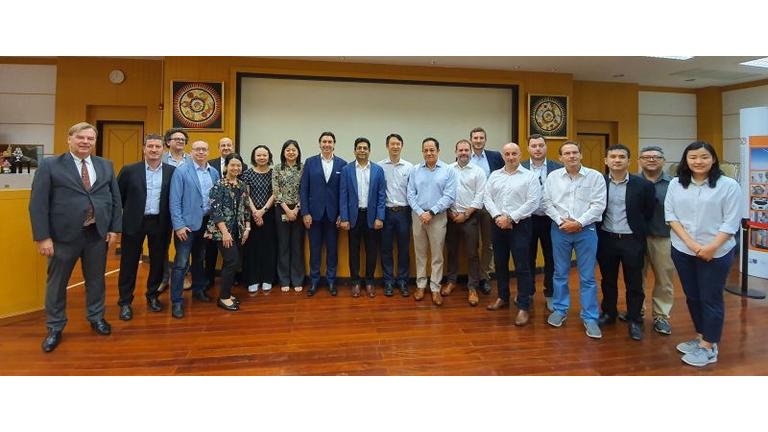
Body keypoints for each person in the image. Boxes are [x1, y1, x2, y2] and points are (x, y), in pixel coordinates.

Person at [29, 122, 122, 353]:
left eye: (90, 138)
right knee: (57, 284)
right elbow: (38, 204)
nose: (85, 142)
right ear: (69, 139)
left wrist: (114, 229)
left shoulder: (105, 165)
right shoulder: (50, 165)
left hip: (96, 234)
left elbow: (115, 199)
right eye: (81, 137)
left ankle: (96, 317)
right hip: (62, 237)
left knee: (96, 281)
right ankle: (55, 326)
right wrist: (43, 237)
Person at [665, 141, 741, 367]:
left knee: (711, 297)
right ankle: (701, 337)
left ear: (713, 159)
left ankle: (709, 347)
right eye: (693, 157)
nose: (698, 161)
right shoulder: (676, 183)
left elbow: (731, 221)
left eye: (704, 157)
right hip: (683, 249)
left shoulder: (728, 185)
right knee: (693, 296)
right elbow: (671, 216)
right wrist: (692, 245)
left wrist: (710, 248)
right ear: (686, 160)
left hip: (716, 252)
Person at [542, 141, 607, 339]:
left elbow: (598, 205)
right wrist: (562, 221)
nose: (571, 156)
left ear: (581, 155)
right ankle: (560, 309)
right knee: (560, 272)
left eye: (575, 152)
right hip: (560, 229)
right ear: (560, 157)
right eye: (567, 153)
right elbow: (546, 203)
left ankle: (590, 317)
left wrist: (578, 223)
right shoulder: (553, 177)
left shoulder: (595, 177)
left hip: (586, 230)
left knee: (587, 276)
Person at [595, 144, 655, 341]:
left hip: (632, 240)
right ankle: (609, 313)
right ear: (606, 161)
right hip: (606, 238)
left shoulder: (643, 185)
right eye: (613, 156)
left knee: (634, 283)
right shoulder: (599, 182)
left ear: (629, 161)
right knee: (608, 280)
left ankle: (635, 319)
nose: (617, 160)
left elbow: (648, 212)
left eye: (622, 157)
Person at [115, 133, 175, 321]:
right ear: (144, 149)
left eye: (158, 147)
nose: (154, 150)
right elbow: (118, 198)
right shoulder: (129, 170)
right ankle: (125, 302)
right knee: (129, 262)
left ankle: (152, 295)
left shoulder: (172, 171)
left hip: (160, 222)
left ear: (163, 149)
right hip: (134, 222)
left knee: (157, 262)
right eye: (150, 146)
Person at [483, 143, 541, 325]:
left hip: (520, 226)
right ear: (503, 156)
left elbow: (533, 202)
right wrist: (498, 217)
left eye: (514, 154)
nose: (510, 157)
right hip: (497, 224)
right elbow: (487, 198)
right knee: (500, 263)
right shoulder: (495, 175)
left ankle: (523, 306)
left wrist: (510, 218)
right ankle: (502, 296)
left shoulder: (530, 176)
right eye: (507, 154)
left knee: (522, 265)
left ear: (520, 155)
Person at [621, 145, 675, 335]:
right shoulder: (631, 182)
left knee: (664, 279)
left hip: (663, 237)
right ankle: (637, 311)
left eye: (656, 157)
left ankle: (661, 316)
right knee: (635, 278)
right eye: (646, 157)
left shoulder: (674, 184)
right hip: (635, 238)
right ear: (639, 161)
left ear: (663, 161)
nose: (651, 160)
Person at [168, 140, 220, 318]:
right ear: (191, 152)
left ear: (208, 152)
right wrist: (179, 226)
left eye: (204, 149)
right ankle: (177, 301)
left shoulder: (213, 172)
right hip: (186, 226)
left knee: (199, 259)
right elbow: (174, 200)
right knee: (181, 263)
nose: (201, 152)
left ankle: (198, 290)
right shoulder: (181, 171)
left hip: (205, 222)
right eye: (197, 149)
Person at [407, 137, 457, 306]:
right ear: (422, 151)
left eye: (432, 150)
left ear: (438, 151)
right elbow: (410, 194)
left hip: (438, 217)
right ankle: (421, 285)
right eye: (426, 150)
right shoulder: (415, 170)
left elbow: (449, 196)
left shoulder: (448, 170)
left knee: (437, 255)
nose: (429, 153)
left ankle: (435, 288)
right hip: (418, 216)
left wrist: (432, 212)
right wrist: (421, 212)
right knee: (420, 253)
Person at [300, 131, 346, 296]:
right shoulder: (310, 162)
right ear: (320, 144)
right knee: (315, 249)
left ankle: (331, 281)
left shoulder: (342, 164)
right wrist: (305, 212)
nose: (327, 144)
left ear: (334, 144)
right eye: (324, 141)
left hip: (334, 216)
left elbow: (343, 192)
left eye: (330, 142)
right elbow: (304, 189)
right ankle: (314, 281)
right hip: (314, 215)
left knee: (332, 250)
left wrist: (342, 214)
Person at [340, 137, 387, 297]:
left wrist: (380, 217)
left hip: (372, 216)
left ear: (369, 151)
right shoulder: (346, 170)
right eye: (359, 148)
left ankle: (369, 282)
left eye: (365, 148)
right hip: (353, 217)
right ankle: (355, 282)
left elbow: (382, 196)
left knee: (371, 251)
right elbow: (343, 195)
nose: (362, 150)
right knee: (353, 251)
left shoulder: (378, 170)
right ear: (354, 150)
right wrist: (344, 218)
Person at [521, 134, 563, 312]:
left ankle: (550, 293)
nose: (537, 149)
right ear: (528, 148)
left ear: (546, 147)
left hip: (551, 219)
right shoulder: (521, 167)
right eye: (534, 146)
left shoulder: (558, 168)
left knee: (551, 258)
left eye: (540, 145)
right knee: (527, 257)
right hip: (527, 219)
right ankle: (528, 292)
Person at [205, 153, 252, 311]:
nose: (235, 168)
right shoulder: (218, 185)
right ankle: (223, 298)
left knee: (231, 262)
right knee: (232, 261)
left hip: (238, 230)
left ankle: (227, 293)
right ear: (226, 167)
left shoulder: (242, 185)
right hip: (222, 231)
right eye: (232, 165)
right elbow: (215, 211)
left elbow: (246, 208)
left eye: (238, 165)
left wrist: (247, 228)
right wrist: (225, 233)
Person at [444, 139, 486, 306]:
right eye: (460, 150)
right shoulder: (448, 169)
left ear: (470, 152)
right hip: (450, 217)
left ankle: (472, 287)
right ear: (455, 152)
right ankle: (451, 281)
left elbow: (480, 196)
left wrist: (466, 214)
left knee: (472, 253)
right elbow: (443, 192)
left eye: (466, 150)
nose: (463, 153)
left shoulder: (478, 171)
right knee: (451, 251)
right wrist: (449, 212)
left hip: (471, 218)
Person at [468, 127, 505, 295]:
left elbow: (504, 177)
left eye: (481, 138)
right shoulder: (464, 156)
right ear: (471, 140)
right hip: (470, 207)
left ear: (485, 140)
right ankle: (473, 278)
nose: (478, 140)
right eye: (475, 138)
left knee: (488, 244)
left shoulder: (495, 157)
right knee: (472, 244)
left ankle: (484, 277)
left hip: (489, 207)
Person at [379, 133, 414, 297]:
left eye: (398, 144)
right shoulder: (380, 167)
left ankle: (402, 281)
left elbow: (412, 192)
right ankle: (388, 282)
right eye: (392, 144)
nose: (395, 146)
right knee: (386, 249)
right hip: (386, 212)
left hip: (404, 213)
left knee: (403, 249)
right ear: (387, 146)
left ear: (402, 146)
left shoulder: (409, 167)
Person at [159, 128, 191, 293]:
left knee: (184, 245)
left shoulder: (191, 160)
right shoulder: (160, 158)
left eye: (182, 139)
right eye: (176, 138)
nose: (180, 141)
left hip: (185, 210)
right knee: (162, 245)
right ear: (168, 142)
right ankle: (164, 277)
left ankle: (183, 275)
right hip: (163, 208)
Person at [241, 145, 276, 293]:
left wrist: (263, 211)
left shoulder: (274, 173)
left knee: (268, 247)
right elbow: (246, 194)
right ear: (254, 157)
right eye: (259, 155)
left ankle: (267, 278)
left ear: (269, 157)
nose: (262, 158)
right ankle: (253, 279)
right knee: (252, 248)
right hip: (251, 214)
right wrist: (255, 212)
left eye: (264, 155)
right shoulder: (247, 174)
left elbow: (275, 193)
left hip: (269, 214)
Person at [273, 140, 306, 292]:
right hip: (281, 209)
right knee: (283, 245)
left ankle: (298, 279)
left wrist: (296, 209)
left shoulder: (303, 168)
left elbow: (305, 190)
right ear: (283, 152)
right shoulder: (277, 168)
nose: (291, 152)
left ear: (298, 152)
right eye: (288, 150)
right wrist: (287, 210)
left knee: (297, 246)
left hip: (299, 210)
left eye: (294, 150)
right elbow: (276, 191)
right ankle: (284, 280)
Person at [205, 137, 236, 289]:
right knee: (210, 251)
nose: (226, 147)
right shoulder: (210, 164)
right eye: (223, 145)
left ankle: (227, 280)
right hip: (214, 215)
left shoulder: (240, 164)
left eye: (228, 145)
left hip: (233, 217)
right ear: (218, 148)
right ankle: (209, 279)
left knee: (230, 253)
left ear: (233, 147)